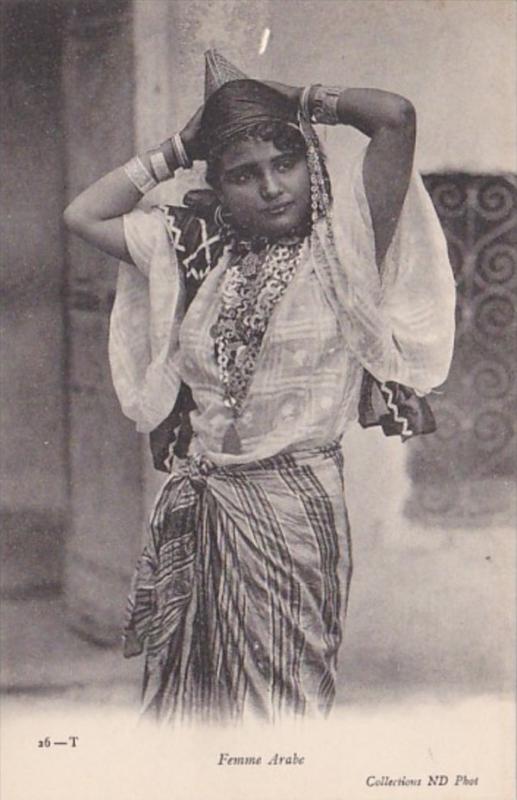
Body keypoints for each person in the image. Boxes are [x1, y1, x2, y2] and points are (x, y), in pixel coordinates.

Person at [63, 50, 455, 724]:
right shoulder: (194, 252)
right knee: (195, 693)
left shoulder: (345, 248)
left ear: (309, 165)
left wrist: (293, 96)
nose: (271, 187)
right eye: (244, 174)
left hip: (295, 507)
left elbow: (393, 117)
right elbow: (83, 215)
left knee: (286, 697)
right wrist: (179, 148)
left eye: (285, 163)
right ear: (217, 187)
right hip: (207, 499)